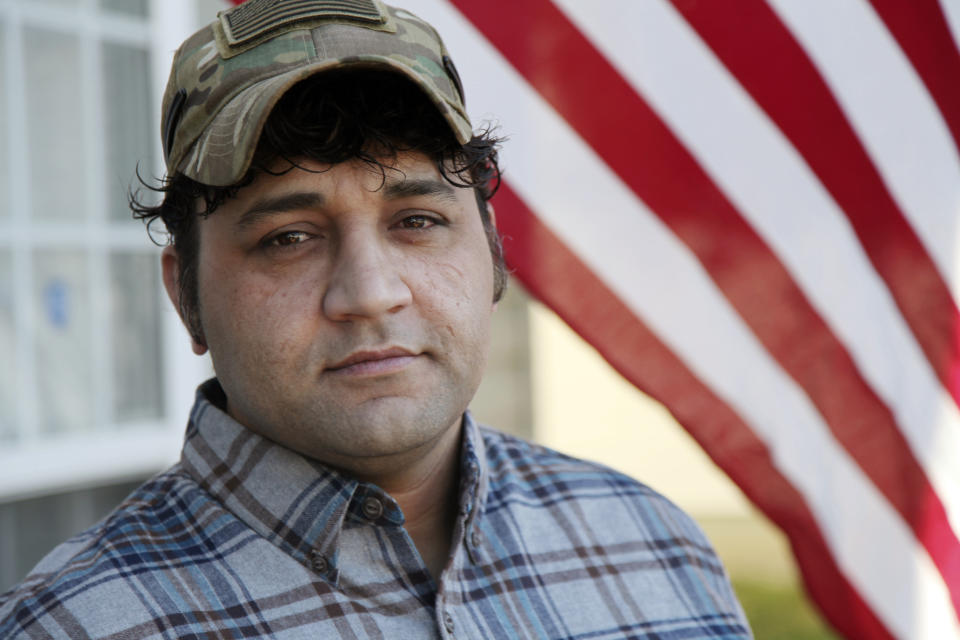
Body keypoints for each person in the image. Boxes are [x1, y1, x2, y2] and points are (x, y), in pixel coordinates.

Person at [0, 1, 751, 638]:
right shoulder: (73, 623)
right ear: (185, 294)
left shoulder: (654, 547)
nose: (369, 293)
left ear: (491, 251)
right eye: (287, 239)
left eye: (418, 220)